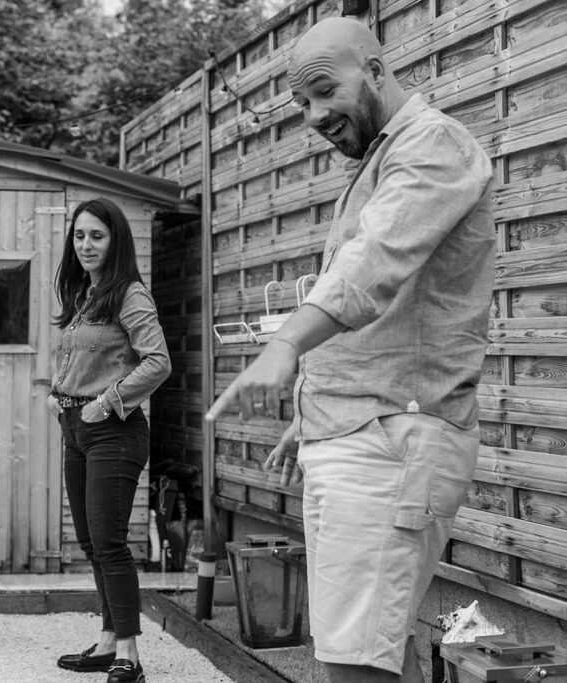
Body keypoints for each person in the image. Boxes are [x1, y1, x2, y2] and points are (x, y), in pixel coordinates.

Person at [205, 17, 495, 683]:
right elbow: (388, 322)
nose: (313, 115)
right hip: (364, 433)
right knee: (364, 654)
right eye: (301, 103)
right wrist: (314, 413)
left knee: (352, 666)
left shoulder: (434, 146)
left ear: (374, 66)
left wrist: (286, 343)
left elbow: (373, 265)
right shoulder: (383, 159)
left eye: (323, 91)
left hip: (389, 443)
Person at [49, 198, 171, 683]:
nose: (85, 245)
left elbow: (158, 362)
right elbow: (81, 358)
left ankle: (129, 655)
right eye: (79, 236)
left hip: (113, 431)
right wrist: (59, 394)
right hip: (76, 429)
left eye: (96, 236)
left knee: (110, 542)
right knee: (91, 542)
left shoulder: (129, 295)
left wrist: (107, 401)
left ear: (116, 239)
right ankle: (106, 641)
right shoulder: (84, 295)